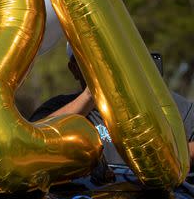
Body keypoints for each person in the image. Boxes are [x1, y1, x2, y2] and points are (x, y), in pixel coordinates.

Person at [30, 46, 194, 169]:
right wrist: (90, 95)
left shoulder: (169, 106)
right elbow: (35, 143)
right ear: (74, 69)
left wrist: (167, 157)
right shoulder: (58, 107)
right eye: (92, 58)